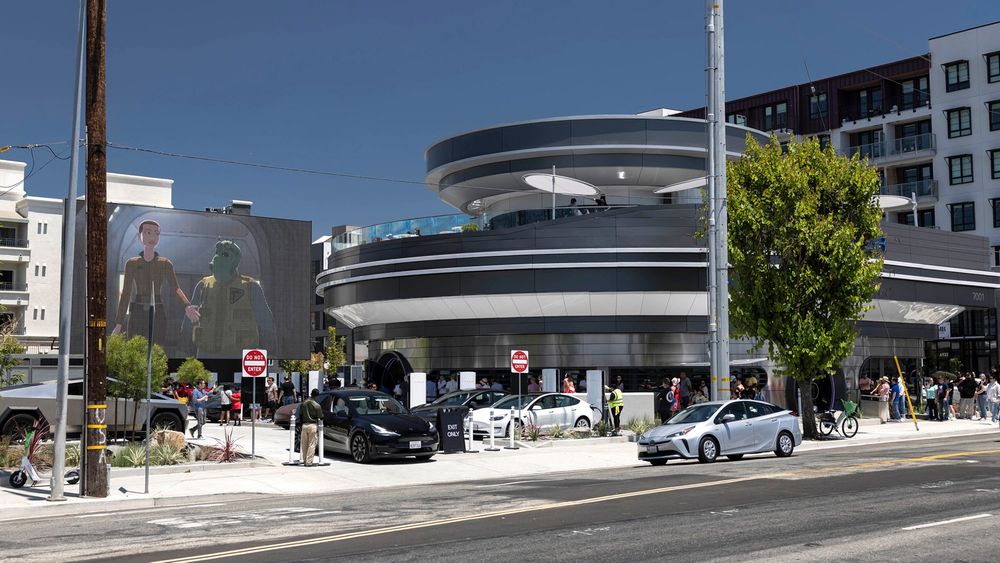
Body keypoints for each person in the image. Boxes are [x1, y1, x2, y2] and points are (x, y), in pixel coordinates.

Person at [184, 240, 275, 357]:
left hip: (239, 355)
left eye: (225, 254)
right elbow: (189, 321)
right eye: (217, 253)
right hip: (206, 353)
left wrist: (270, 355)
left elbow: (266, 325)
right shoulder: (203, 285)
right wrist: (182, 352)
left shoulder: (250, 287)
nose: (218, 257)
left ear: (235, 261)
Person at [112, 220, 199, 341]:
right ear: (140, 235)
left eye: (156, 233)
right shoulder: (132, 263)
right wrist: (119, 323)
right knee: (136, 348)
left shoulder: (165, 263)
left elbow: (176, 288)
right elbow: (126, 293)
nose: (153, 237)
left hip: (157, 313)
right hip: (137, 313)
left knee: (157, 348)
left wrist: (187, 305)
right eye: (148, 232)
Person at [299, 389, 324, 467]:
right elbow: (321, 416)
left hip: (304, 425)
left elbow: (300, 414)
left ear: (311, 393)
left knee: (304, 444)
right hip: (313, 425)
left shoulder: (304, 403)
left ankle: (304, 460)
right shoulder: (317, 405)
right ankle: (309, 462)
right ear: (317, 396)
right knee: (312, 444)